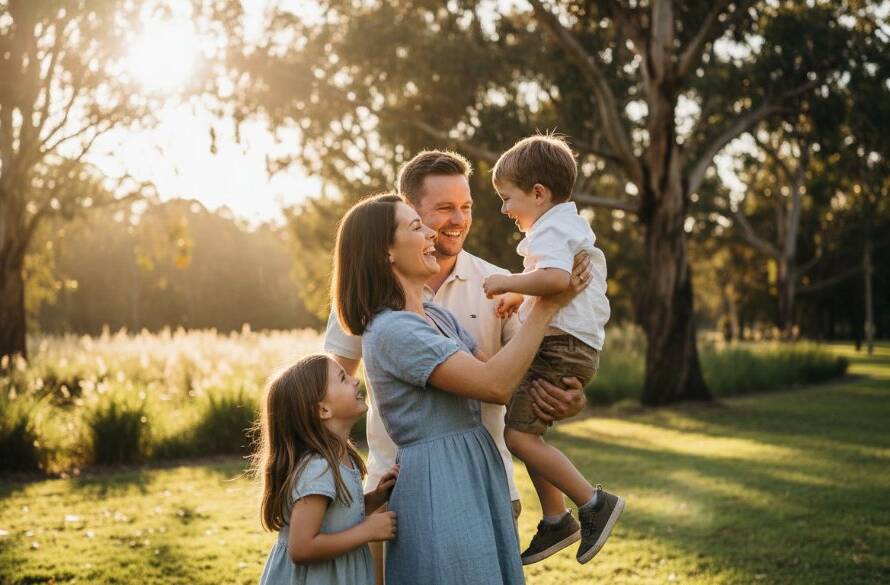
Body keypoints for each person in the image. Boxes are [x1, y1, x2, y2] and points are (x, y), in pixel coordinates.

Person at [323, 150, 589, 581]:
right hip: (404, 485)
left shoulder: (503, 284)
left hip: (486, 476)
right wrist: (338, 493)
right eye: (443, 208)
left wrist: (569, 395)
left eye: (466, 206)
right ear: (409, 214)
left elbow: (527, 370)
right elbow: (329, 399)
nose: (458, 220)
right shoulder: (373, 308)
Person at [482, 134, 624, 565]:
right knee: (526, 432)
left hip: (560, 346)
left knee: (518, 436)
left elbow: (557, 281)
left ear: (538, 194)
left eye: (507, 198)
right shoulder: (567, 224)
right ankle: (555, 519)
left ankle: (592, 503)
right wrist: (519, 297)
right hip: (572, 345)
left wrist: (507, 282)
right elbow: (551, 281)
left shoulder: (549, 230)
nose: (504, 209)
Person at [254, 353, 400, 585]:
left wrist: (375, 497)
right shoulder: (318, 469)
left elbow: (337, 515)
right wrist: (367, 531)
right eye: (343, 378)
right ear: (323, 410)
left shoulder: (339, 457)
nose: (355, 380)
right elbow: (302, 548)